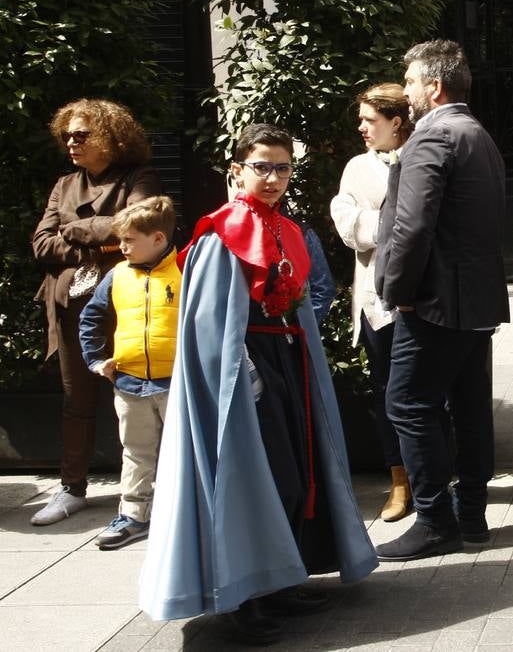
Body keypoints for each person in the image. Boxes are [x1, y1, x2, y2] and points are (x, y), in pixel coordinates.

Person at [139, 124, 375, 642]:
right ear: (237, 170)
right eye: (261, 167)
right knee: (257, 477)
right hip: (247, 370)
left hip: (287, 360)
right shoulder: (221, 232)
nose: (272, 177)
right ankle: (244, 597)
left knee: (298, 473)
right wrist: (244, 374)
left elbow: (302, 299)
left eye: (282, 168)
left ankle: (280, 581)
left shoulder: (284, 227)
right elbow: (207, 323)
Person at [374, 40, 511, 561]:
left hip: (434, 303)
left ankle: (434, 522)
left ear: (434, 87)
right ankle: (470, 516)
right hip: (473, 301)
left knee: (407, 403)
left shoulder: (434, 136)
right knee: (469, 407)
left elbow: (412, 228)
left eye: (410, 81)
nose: (406, 91)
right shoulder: (477, 134)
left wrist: (398, 291)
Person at [31, 99, 162, 526]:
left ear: (111, 136)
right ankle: (71, 488)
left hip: (128, 305)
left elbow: (138, 226)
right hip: (71, 304)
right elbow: (42, 244)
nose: (71, 142)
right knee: (77, 399)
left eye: (82, 134)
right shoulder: (65, 184)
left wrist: (75, 230)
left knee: (142, 398)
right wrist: (99, 242)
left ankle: (149, 491)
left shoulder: (138, 178)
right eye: (67, 134)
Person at [330, 82, 415, 522]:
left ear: (396, 122)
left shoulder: (422, 157)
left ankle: (430, 475)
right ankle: (399, 479)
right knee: (385, 390)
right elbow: (347, 226)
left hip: (421, 297)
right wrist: (398, 221)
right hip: (376, 302)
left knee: (425, 392)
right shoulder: (357, 168)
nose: (361, 127)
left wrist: (381, 222)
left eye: (369, 120)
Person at [77, 196, 178, 550]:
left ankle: (184, 517)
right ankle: (134, 516)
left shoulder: (185, 271)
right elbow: (91, 317)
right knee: (136, 452)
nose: (121, 247)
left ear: (158, 239)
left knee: (184, 453)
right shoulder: (117, 275)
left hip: (176, 383)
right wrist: (95, 359)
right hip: (130, 383)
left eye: (129, 240)